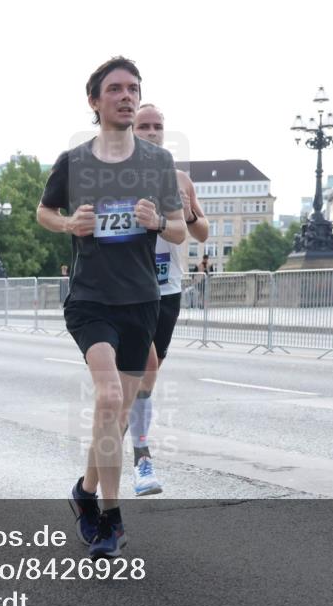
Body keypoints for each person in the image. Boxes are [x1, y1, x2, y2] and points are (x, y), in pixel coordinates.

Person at [36, 57, 185, 559]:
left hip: (141, 300)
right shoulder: (75, 161)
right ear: (94, 101)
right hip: (91, 299)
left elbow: (181, 229)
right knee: (107, 397)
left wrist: (158, 223)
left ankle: (84, 491)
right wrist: (68, 224)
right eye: (116, 89)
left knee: (117, 414)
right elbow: (44, 210)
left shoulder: (158, 164)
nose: (127, 96)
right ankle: (111, 518)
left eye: (134, 89)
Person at [127, 103, 209, 495]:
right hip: (128, 288)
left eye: (158, 126)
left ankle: (121, 428)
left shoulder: (179, 178)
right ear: (132, 129)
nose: (152, 131)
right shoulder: (119, 176)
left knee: (145, 378)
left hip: (168, 288)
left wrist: (189, 212)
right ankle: (142, 458)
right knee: (148, 364)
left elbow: (203, 233)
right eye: (144, 126)